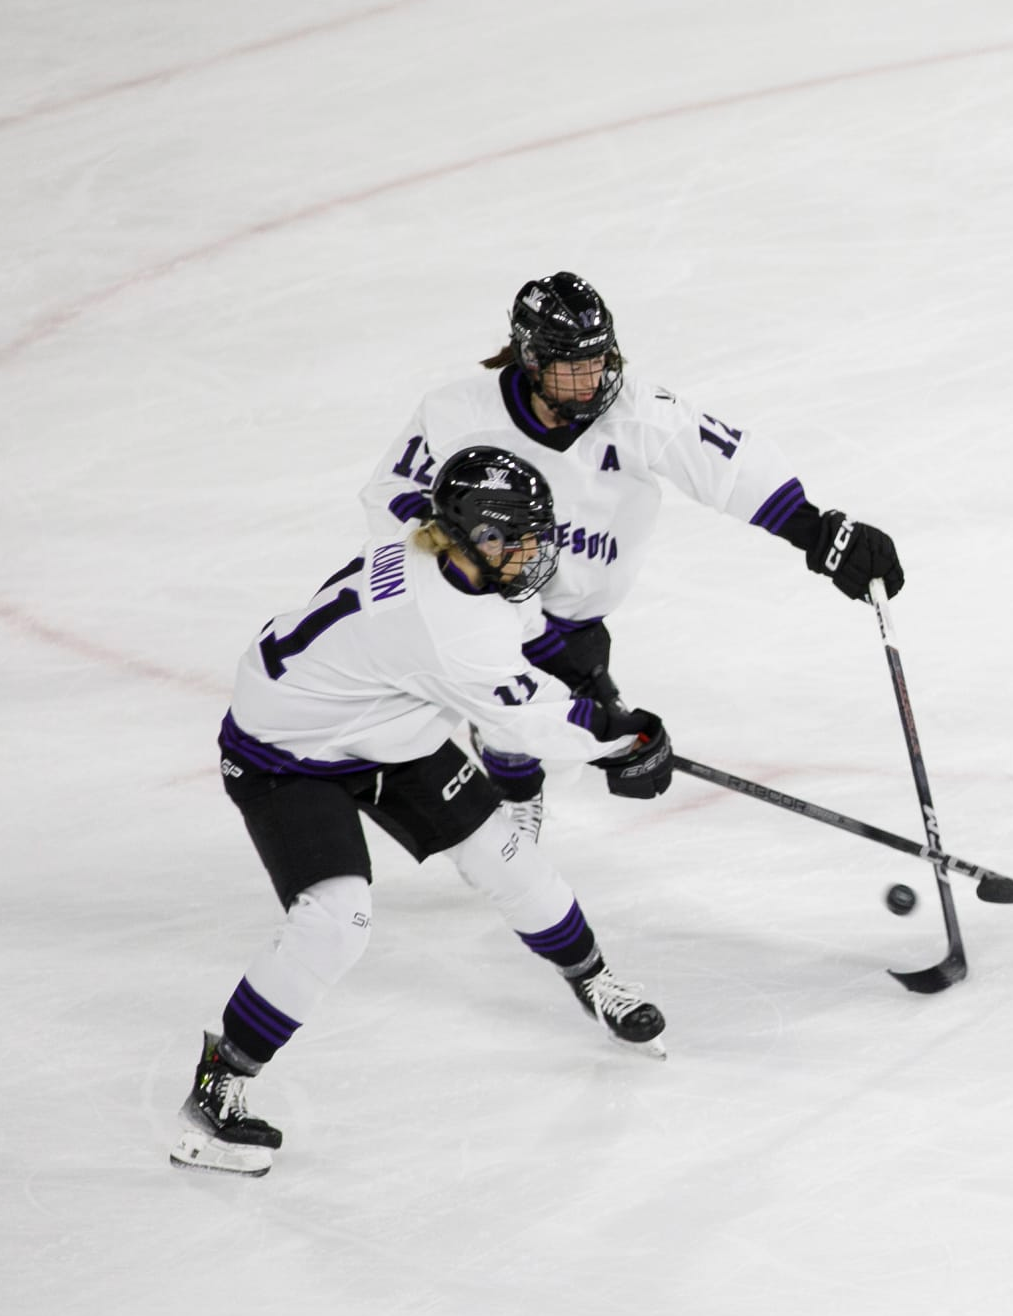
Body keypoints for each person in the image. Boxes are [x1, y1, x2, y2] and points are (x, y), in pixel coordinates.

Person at [173, 448, 677, 1178]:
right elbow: (524, 724)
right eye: (519, 539)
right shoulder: (445, 630)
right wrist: (623, 741)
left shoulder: (433, 549)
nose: (535, 553)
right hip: (284, 753)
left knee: (507, 855)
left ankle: (592, 978)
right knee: (335, 920)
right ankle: (220, 1088)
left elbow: (513, 634)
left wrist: (574, 666)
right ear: (471, 535)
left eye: (538, 536)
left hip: (379, 720)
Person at [359, 272, 904, 842]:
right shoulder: (457, 414)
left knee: (575, 707)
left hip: (578, 615)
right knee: (509, 714)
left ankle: (521, 750)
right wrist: (459, 565)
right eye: (573, 366)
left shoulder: (636, 409)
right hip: (484, 601)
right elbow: (390, 496)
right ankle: (514, 796)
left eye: (599, 359)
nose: (593, 379)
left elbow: (724, 464)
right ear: (530, 359)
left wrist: (816, 531)